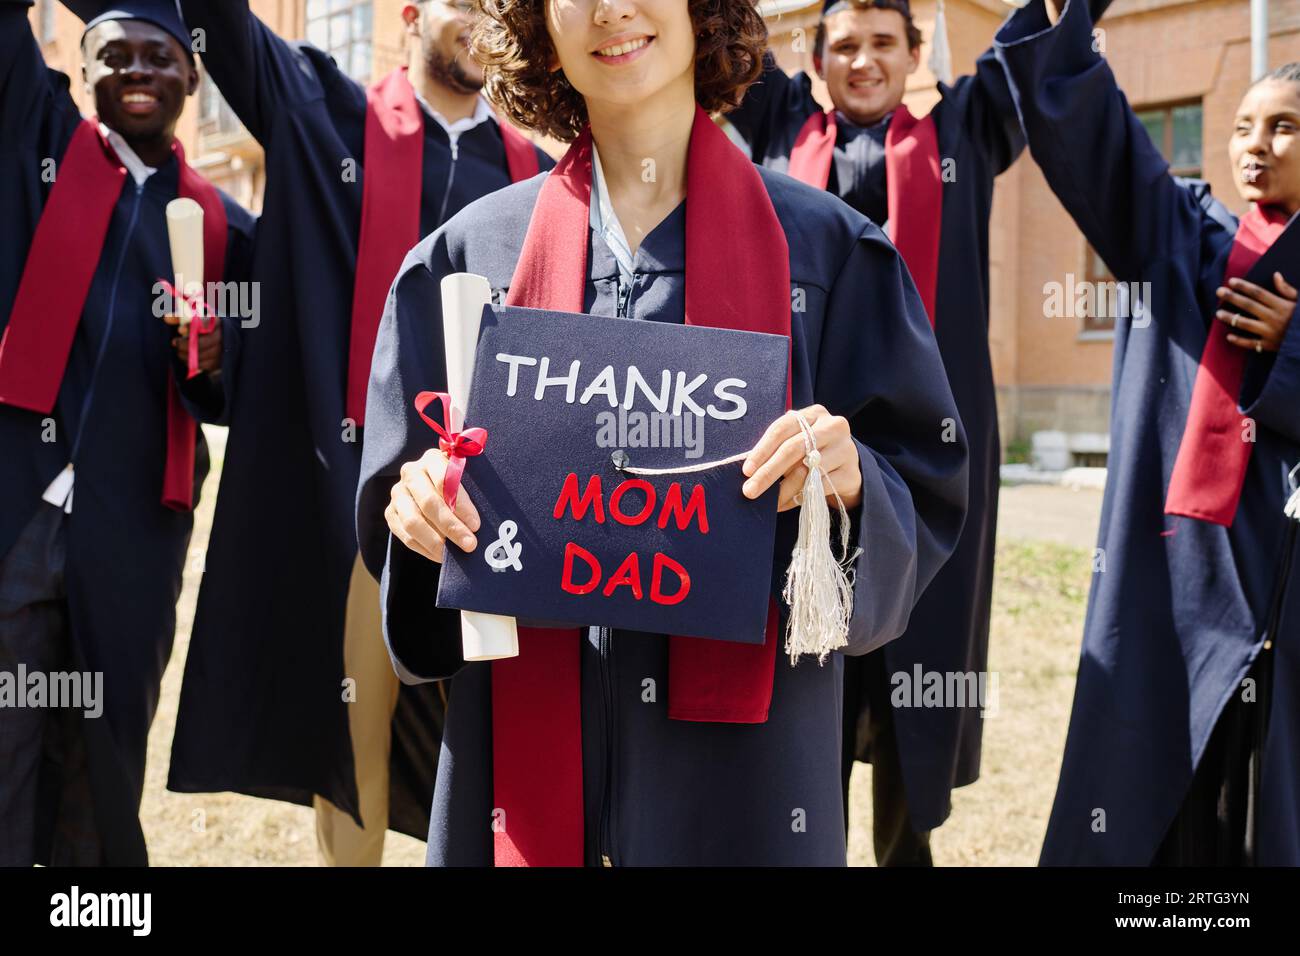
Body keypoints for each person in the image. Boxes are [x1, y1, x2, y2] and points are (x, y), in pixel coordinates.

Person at [356, 0, 970, 866]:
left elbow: (925, 489)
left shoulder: (831, 254)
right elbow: (405, 536)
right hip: (519, 777)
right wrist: (420, 518)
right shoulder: (462, 260)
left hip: (751, 783)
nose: (612, 9)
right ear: (539, 23)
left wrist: (854, 480)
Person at [149, 0, 553, 867]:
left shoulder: (535, 178)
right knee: (352, 745)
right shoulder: (319, 112)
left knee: (505, 755)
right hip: (356, 509)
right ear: (408, 12)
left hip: (491, 520)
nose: (482, 17)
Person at [724, 0, 1039, 864]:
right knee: (805, 658)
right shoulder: (783, 124)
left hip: (923, 450)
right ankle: (804, 835)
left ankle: (907, 850)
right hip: (794, 450)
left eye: (883, 44)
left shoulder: (963, 135)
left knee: (917, 660)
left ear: (915, 53)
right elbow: (723, 31)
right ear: (816, 56)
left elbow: (1037, 40)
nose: (864, 62)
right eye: (845, 46)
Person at [995, 0, 1300, 865]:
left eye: (1284, 127)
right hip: (1172, 566)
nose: (1255, 144)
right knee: (1151, 798)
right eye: (1243, 125)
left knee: (1260, 804)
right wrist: (1069, 21)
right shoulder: (1184, 232)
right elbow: (1100, 143)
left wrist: (1295, 341)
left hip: (1279, 582)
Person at [0, 0, 254, 866]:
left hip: (136, 527)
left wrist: (220, 357)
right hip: (14, 513)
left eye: (160, 55)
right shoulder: (36, 145)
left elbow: (243, 388)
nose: (138, 70)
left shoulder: (227, 227)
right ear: (80, 74)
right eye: (114, 55)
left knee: (103, 761)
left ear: (192, 77)